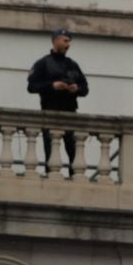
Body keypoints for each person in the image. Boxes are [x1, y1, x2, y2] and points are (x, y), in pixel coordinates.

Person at [27, 28, 89, 171]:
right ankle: (50, 176)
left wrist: (76, 89)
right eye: (65, 41)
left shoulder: (73, 65)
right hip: (50, 111)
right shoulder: (43, 63)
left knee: (73, 150)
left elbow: (85, 88)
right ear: (55, 40)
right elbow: (31, 87)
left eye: (70, 41)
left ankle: (75, 176)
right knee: (51, 150)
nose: (69, 44)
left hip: (70, 112)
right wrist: (52, 86)